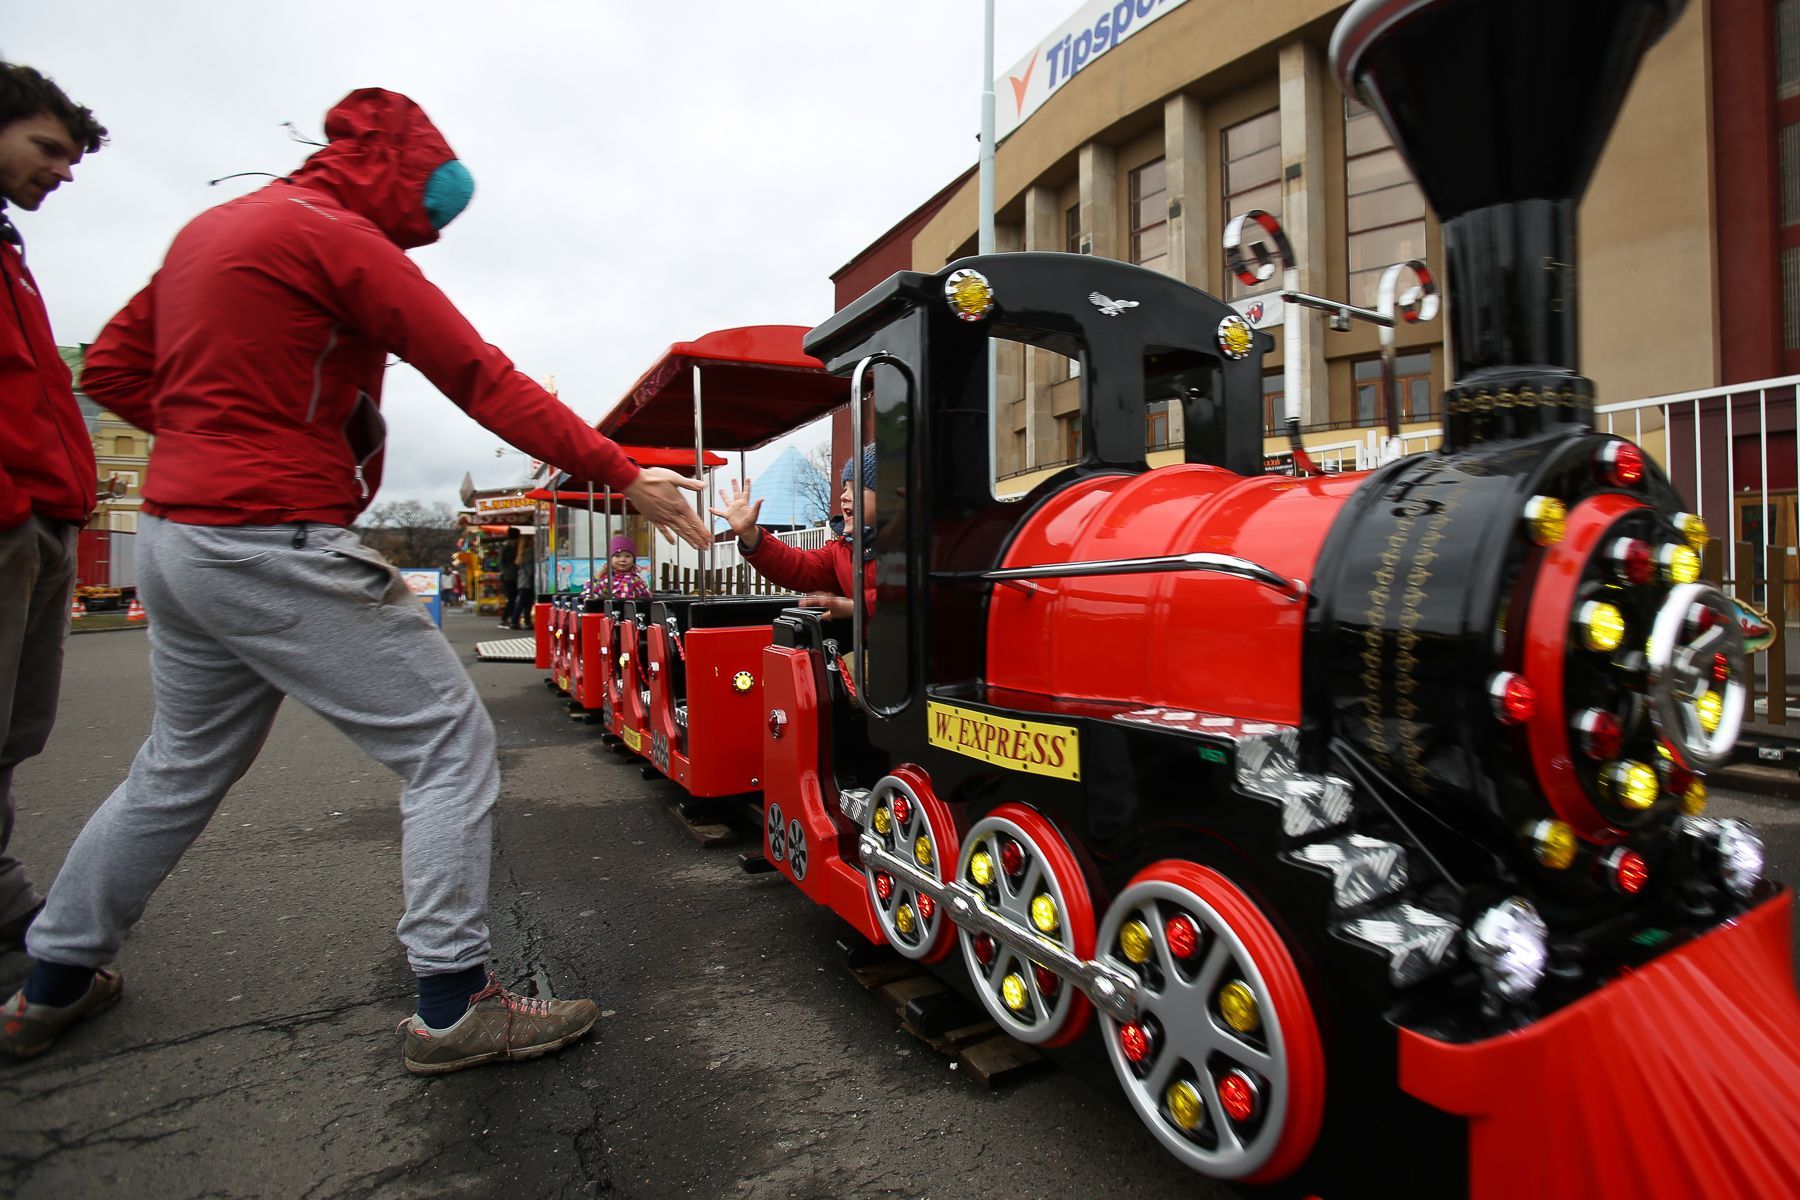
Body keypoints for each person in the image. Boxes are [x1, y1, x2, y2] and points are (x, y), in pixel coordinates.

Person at [0, 88, 710, 1073]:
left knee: (174, 770)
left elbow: (116, 368)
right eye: (423, 220)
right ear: (398, 179)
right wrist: (625, 474)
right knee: (449, 743)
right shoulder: (339, 237)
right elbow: (478, 373)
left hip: (177, 535)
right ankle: (456, 1004)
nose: (417, 245)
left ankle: (51, 985)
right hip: (272, 532)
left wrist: (214, 434)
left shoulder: (213, 228)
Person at [0, 64, 107, 959]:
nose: (63, 173)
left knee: (16, 726)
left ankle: (6, 903)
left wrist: (72, 495)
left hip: (43, 517)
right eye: (47, 149)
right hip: (12, 517)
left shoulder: (11, 253)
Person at [711, 446, 876, 619]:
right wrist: (750, 534)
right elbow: (799, 567)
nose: (844, 496)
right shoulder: (845, 550)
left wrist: (860, 607)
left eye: (858, 488)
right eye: (845, 488)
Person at [581, 535, 651, 601]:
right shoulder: (603, 579)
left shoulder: (636, 580)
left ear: (633, 560)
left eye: (627, 556)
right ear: (609, 558)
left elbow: (647, 598)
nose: (623, 559)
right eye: (617, 556)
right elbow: (590, 594)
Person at [508, 531, 536, 629]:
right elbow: (530, 566)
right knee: (525, 602)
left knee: (524, 602)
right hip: (527, 580)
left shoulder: (521, 552)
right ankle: (520, 621)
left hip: (523, 580)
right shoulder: (529, 551)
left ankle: (520, 621)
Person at [496, 528, 519, 628]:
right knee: (512, 598)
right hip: (509, 576)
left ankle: (509, 618)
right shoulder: (506, 547)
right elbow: (501, 562)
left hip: (512, 575)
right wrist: (508, 572)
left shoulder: (514, 546)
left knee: (513, 598)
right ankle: (506, 618)